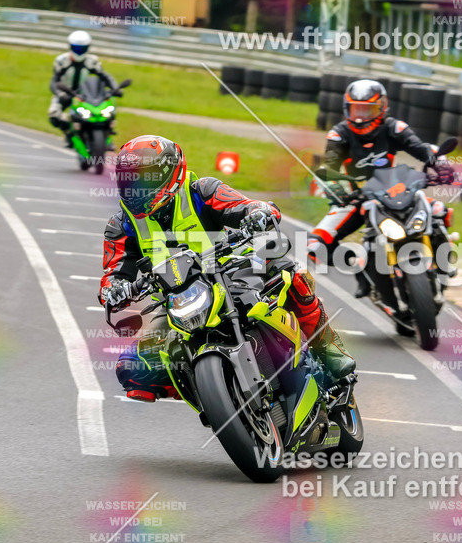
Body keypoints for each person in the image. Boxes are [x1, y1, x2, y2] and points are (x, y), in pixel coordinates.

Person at [100, 135, 355, 402]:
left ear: (168, 174)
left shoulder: (201, 191)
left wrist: (258, 212)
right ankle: (212, 394)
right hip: (173, 303)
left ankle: (328, 349)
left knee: (290, 273)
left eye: (142, 179)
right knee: (131, 369)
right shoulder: (121, 226)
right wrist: (114, 292)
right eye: (128, 180)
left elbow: (243, 205)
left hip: (231, 273)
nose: (134, 188)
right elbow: (112, 274)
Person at [308, 79, 455, 298]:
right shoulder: (339, 134)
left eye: (368, 110)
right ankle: (360, 266)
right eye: (356, 109)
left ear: (382, 108)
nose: (361, 117)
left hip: (395, 190)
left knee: (440, 211)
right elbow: (329, 168)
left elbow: (420, 148)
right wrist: (333, 187)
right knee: (314, 247)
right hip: (357, 198)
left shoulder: (394, 127)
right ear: (347, 108)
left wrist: (439, 164)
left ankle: (443, 263)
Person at [48, 30, 118, 147]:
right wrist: (59, 94)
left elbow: (105, 77)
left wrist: (115, 88)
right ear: (70, 47)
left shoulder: (92, 61)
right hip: (65, 93)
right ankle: (69, 133)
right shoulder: (62, 61)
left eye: (82, 48)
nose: (79, 52)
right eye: (76, 48)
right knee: (54, 115)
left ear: (88, 48)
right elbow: (54, 81)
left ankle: (108, 137)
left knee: (109, 109)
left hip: (85, 94)